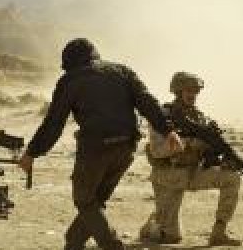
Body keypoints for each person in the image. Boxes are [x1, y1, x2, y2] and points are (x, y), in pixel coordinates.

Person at [18, 38, 183, 250]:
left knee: (85, 200)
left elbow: (54, 123)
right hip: (126, 148)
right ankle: (74, 242)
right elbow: (147, 102)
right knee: (95, 201)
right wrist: (168, 130)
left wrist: (32, 152)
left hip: (95, 150)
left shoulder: (70, 80)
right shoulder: (122, 71)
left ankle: (112, 245)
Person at [140, 72, 243, 246]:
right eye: (188, 90)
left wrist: (221, 158)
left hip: (193, 172)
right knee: (171, 237)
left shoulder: (200, 118)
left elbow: (209, 152)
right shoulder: (162, 116)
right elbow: (157, 151)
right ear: (177, 91)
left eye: (195, 91)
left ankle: (219, 232)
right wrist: (189, 143)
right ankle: (153, 225)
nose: (193, 95)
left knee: (232, 177)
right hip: (169, 176)